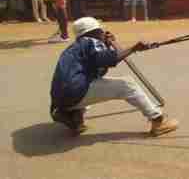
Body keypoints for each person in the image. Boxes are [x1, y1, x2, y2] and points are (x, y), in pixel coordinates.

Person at [50, 17, 179, 136]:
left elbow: (99, 69)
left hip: (60, 99)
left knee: (94, 83)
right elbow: (109, 61)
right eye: (101, 30)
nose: (103, 32)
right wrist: (134, 48)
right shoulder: (91, 41)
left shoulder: (76, 47)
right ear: (95, 31)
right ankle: (158, 121)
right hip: (76, 91)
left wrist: (107, 44)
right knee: (127, 85)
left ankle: (72, 116)